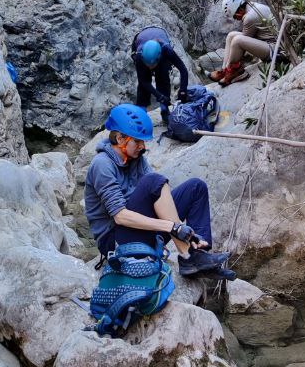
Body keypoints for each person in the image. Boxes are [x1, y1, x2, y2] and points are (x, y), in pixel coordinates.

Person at [84, 103, 233, 277]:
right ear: (120, 139)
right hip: (116, 239)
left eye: (143, 141)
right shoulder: (102, 164)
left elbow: (161, 197)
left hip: (141, 229)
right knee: (154, 181)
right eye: (137, 141)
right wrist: (173, 227)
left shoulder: (136, 159)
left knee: (196, 187)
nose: (142, 146)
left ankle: (199, 253)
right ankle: (188, 256)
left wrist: (185, 232)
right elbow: (120, 216)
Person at [209, 0, 278, 87]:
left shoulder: (250, 17)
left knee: (237, 40)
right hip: (269, 43)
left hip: (276, 50)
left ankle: (235, 71)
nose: (236, 19)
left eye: (235, 16)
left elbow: (242, 43)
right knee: (231, 35)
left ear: (240, 10)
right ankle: (225, 70)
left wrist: (231, 62)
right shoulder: (253, 7)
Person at [131, 25, 189, 124]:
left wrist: (183, 90)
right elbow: (144, 82)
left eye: (152, 65)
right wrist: (160, 96)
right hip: (141, 39)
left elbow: (183, 69)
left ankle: (164, 110)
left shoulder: (167, 51)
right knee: (142, 84)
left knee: (163, 76)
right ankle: (141, 112)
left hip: (161, 40)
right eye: (147, 64)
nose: (150, 68)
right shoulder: (140, 56)